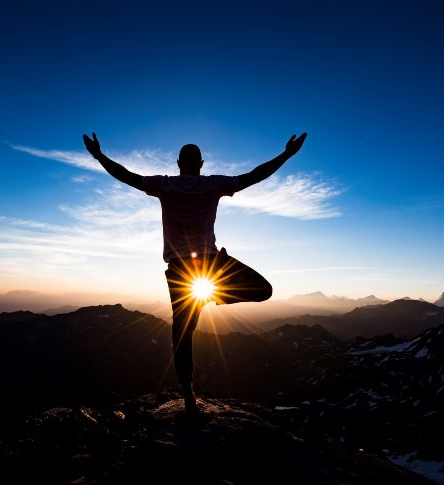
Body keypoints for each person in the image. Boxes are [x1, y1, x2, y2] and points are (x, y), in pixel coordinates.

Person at [82, 131, 307, 413]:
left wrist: (99, 155)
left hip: (178, 270)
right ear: (201, 163)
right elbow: (255, 175)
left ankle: (188, 393)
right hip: (212, 264)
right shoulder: (214, 184)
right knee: (263, 290)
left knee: (182, 333)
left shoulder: (163, 185)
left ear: (178, 163)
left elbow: (125, 175)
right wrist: (286, 154)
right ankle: (215, 296)